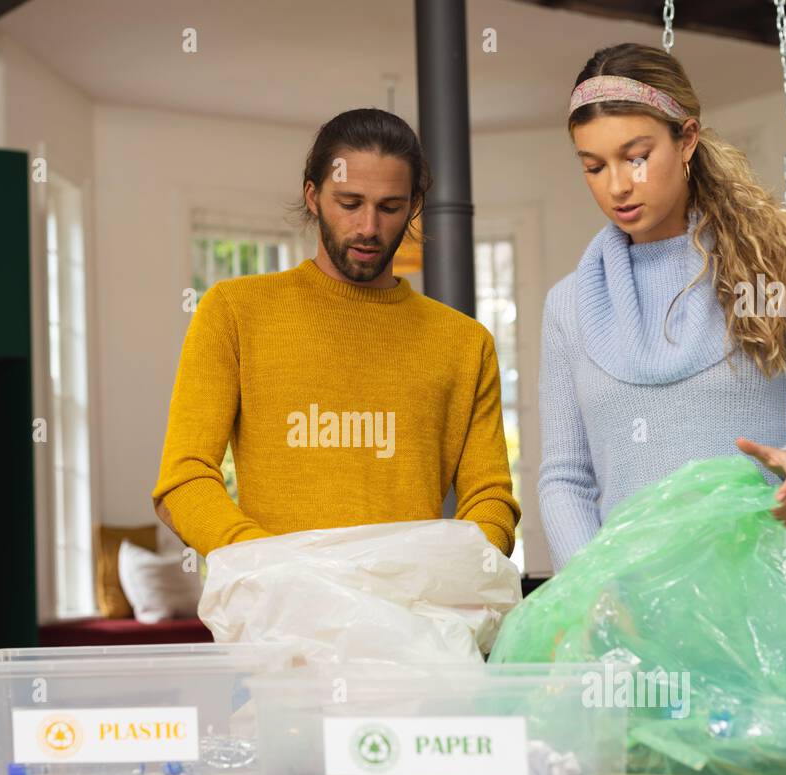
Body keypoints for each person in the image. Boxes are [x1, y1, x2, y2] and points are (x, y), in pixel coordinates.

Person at [539, 43, 786, 574]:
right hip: (632, 608)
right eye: (594, 166)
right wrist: (592, 585)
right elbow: (565, 478)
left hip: (766, 593)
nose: (618, 185)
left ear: (687, 139)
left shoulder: (778, 270)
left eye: (636, 156)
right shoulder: (567, 305)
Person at [153, 108, 519, 559]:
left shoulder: (465, 343)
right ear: (313, 196)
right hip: (278, 609)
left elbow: (492, 499)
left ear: (414, 206)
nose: (369, 227)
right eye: (349, 203)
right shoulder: (234, 312)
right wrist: (272, 566)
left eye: (390, 207)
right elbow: (184, 480)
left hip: (415, 612)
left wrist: (450, 568)